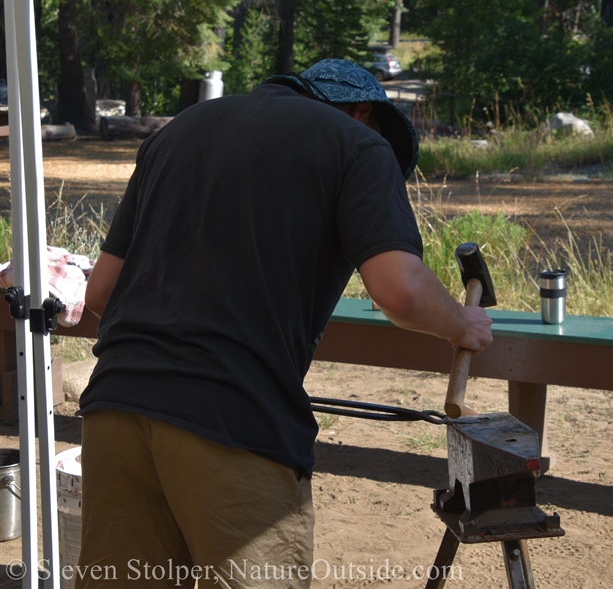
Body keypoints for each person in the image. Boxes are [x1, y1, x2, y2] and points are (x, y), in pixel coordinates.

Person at [76, 59, 492, 589]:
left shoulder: (178, 131)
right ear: (364, 111)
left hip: (115, 407)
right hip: (233, 418)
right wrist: (461, 325)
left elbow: (101, 293)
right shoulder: (359, 144)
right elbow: (400, 290)